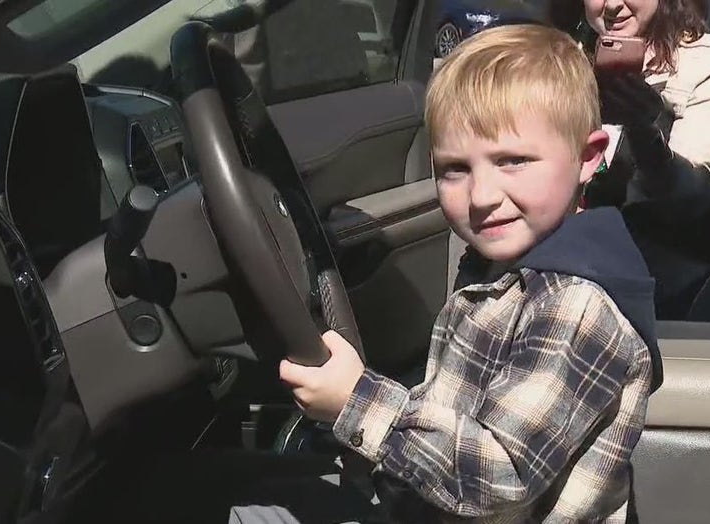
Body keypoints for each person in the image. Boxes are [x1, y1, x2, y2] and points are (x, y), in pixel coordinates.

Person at [273, 24, 661, 523]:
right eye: (454, 169)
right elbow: (457, 404)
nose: (481, 196)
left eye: (513, 161)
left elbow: (499, 476)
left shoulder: (576, 304)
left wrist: (359, 401)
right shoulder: (504, 266)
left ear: (588, 157)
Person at [575, 0, 710, 316]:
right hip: (559, 261)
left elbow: (694, 197)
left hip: (645, 287)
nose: (612, 4)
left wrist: (646, 135)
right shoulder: (564, 53)